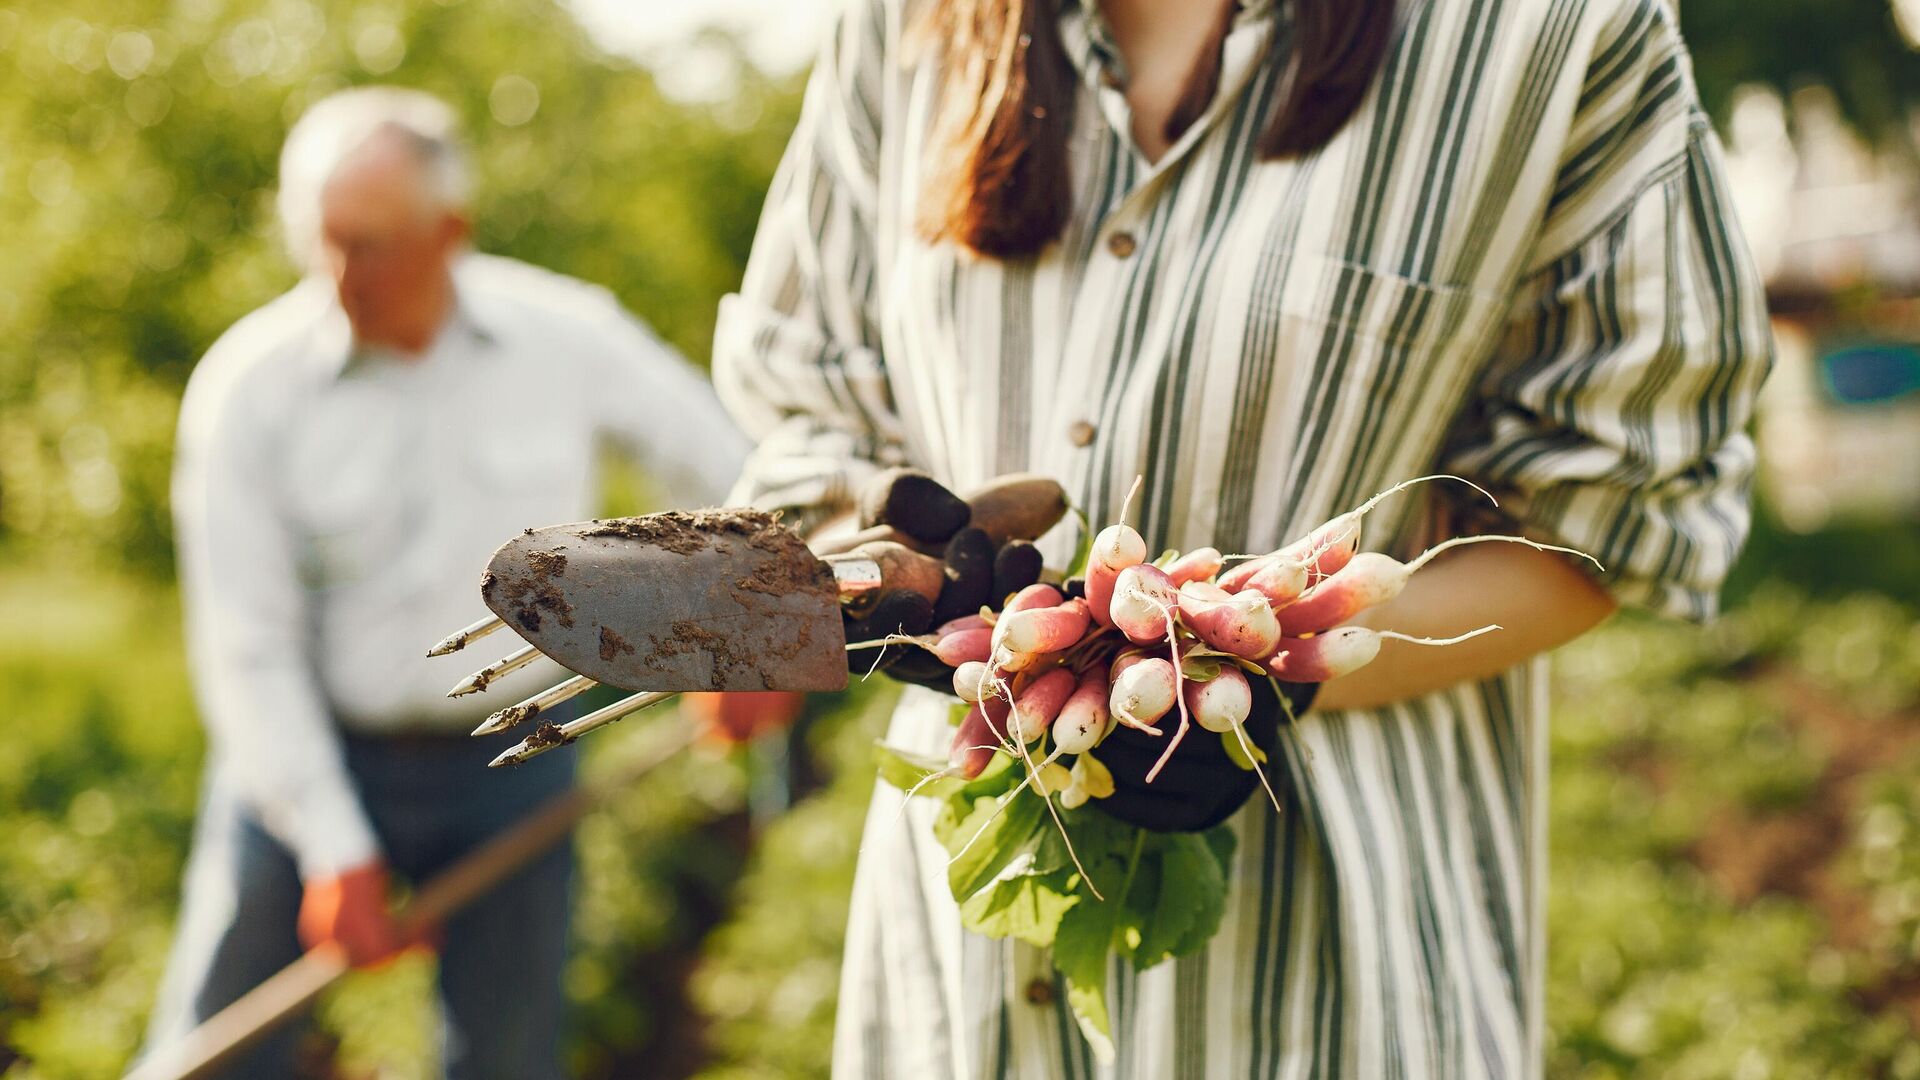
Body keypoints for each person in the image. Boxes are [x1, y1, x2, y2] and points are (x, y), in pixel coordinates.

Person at [713, 0, 1771, 1075]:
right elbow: (806, 410)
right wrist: (909, 589)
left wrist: (1269, 669)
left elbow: (1617, 515)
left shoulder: (1547, 34)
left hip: (1339, 962)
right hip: (961, 970)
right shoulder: (900, 31)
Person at [142, 87, 751, 1079]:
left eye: (372, 244)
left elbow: (728, 465)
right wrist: (332, 844)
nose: (344, 276)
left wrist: (748, 634)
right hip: (308, 765)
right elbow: (246, 641)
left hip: (516, 767)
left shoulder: (566, 339)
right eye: (325, 241)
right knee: (212, 1046)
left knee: (505, 1060)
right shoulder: (249, 389)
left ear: (450, 230)